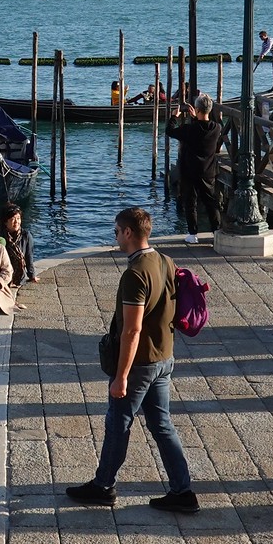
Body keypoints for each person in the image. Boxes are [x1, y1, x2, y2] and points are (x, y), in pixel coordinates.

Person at [66, 206, 197, 513]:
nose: (116, 237)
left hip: (140, 364)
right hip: (164, 357)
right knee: (161, 425)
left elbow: (132, 329)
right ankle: (183, 490)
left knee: (118, 423)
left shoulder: (135, 274)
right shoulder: (165, 261)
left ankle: (103, 486)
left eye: (116, 232)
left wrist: (122, 375)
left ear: (128, 232)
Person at [167, 95, 224, 243]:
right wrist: (196, 117)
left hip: (190, 171)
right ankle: (216, 231)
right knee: (211, 202)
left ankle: (193, 234)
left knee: (190, 202)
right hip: (208, 171)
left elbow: (170, 131)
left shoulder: (189, 129)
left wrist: (174, 116)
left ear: (197, 109)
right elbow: (202, 130)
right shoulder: (216, 128)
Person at [0, 203, 37, 286]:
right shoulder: (0, 236)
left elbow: (29, 256)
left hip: (19, 278)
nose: (16, 222)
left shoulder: (26, 235)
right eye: (13, 219)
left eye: (18, 218)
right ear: (5, 221)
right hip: (3, 275)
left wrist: (32, 275)